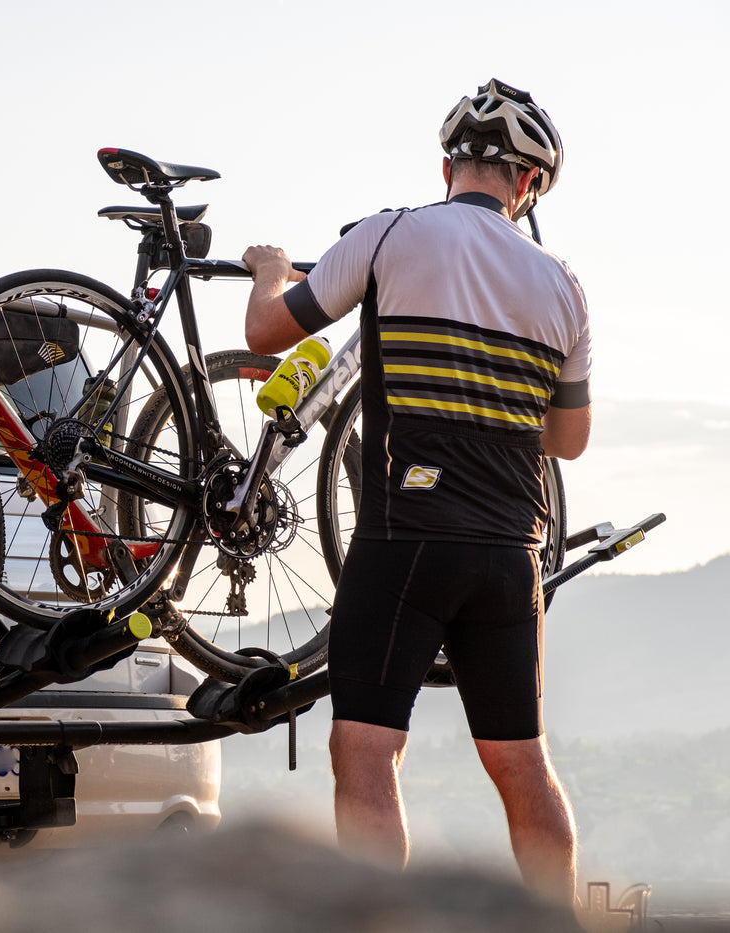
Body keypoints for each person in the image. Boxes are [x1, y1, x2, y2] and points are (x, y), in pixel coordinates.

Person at [241, 79, 592, 906]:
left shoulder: (390, 234)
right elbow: (569, 440)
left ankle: (381, 923)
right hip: (511, 550)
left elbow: (265, 332)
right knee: (522, 762)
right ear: (528, 185)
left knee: (366, 750)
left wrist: (270, 272)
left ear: (447, 168)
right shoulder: (563, 284)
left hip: (406, 536)